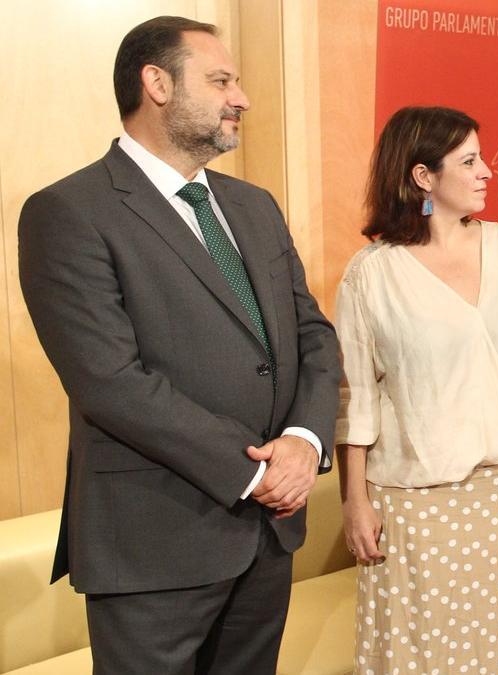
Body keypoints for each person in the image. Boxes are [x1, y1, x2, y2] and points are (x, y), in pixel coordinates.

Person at [17, 16, 341, 674]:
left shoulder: (254, 206)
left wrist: (306, 441)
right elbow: (111, 381)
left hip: (266, 540)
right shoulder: (69, 213)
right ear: (156, 83)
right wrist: (258, 471)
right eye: (221, 80)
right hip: (152, 545)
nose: (241, 98)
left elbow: (312, 334)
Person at [335, 106, 498, 674]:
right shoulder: (371, 275)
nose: (488, 171)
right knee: (428, 657)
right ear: (423, 177)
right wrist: (354, 499)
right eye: (469, 161)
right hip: (418, 504)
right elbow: (354, 398)